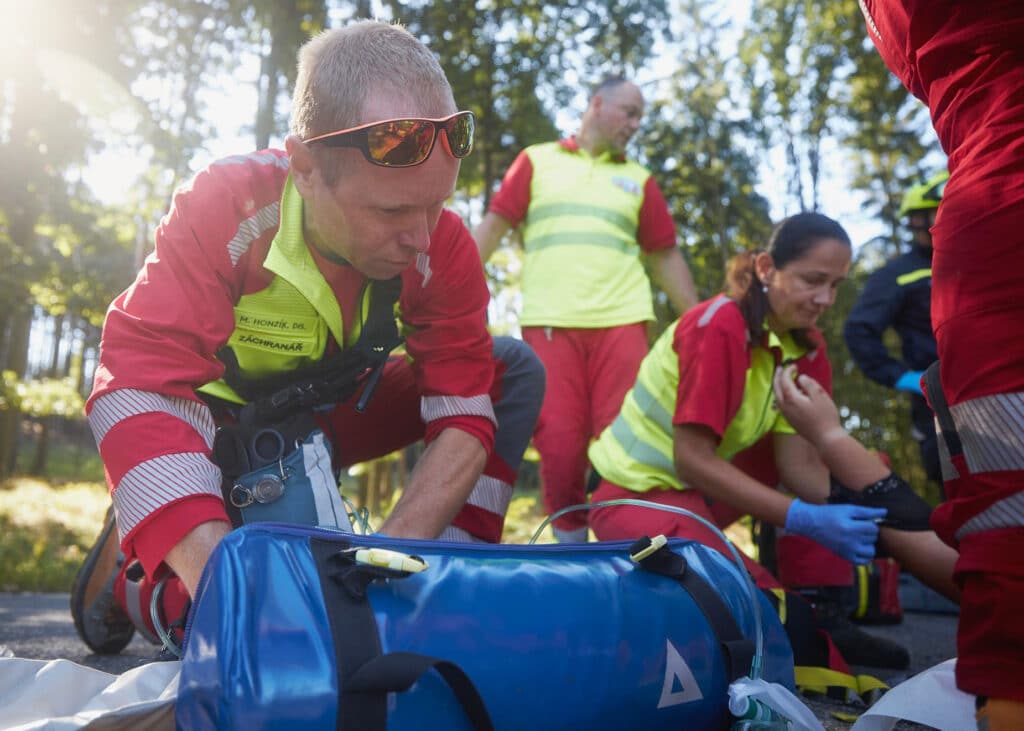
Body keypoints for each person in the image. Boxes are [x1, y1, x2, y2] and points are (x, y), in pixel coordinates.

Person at [70, 20, 544, 656]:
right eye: (392, 212)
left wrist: (381, 570)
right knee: (264, 621)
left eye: (437, 204)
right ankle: (145, 583)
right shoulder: (227, 205)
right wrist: (229, 592)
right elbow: (132, 385)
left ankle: (442, 582)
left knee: (509, 368)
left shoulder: (440, 245)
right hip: (218, 435)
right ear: (305, 168)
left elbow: (464, 419)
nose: (423, 239)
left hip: (330, 418)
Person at [585, 212, 957, 670]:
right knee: (764, 617)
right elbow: (692, 459)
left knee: (855, 474)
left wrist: (875, 517)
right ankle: (808, 623)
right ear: (766, 269)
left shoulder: (808, 348)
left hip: (700, 491)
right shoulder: (718, 326)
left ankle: (827, 613)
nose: (825, 299)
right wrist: (807, 519)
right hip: (632, 493)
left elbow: (797, 466)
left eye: (836, 285)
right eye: (812, 280)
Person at [857, 3, 1024, 726]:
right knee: (982, 503)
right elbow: (866, 336)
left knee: (997, 505)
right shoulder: (896, 273)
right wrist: (904, 380)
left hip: (979, 337)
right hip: (953, 387)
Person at [473, 76, 698, 542]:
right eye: (629, 112)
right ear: (597, 103)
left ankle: (626, 544)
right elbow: (494, 227)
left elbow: (665, 254)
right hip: (550, 322)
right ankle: (570, 552)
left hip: (623, 322)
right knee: (559, 446)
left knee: (624, 443)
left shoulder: (638, 180)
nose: (636, 124)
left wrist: (697, 322)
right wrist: (451, 292)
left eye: (641, 117)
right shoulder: (536, 161)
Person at [844, 171, 948, 484]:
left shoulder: (984, 260)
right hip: (940, 411)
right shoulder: (898, 274)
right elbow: (859, 330)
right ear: (918, 220)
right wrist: (904, 377)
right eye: (939, 210)